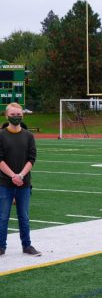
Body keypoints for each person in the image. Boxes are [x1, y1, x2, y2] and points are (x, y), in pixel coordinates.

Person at [0, 102, 40, 257]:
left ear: (22, 115)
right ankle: (1, 246)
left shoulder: (28, 135)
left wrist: (21, 176)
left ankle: (27, 245)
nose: (16, 117)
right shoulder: (1, 135)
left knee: (24, 217)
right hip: (4, 183)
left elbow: (32, 158)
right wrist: (13, 176)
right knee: (3, 217)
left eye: (19, 114)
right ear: (6, 115)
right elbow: (0, 159)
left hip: (24, 183)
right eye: (13, 114)